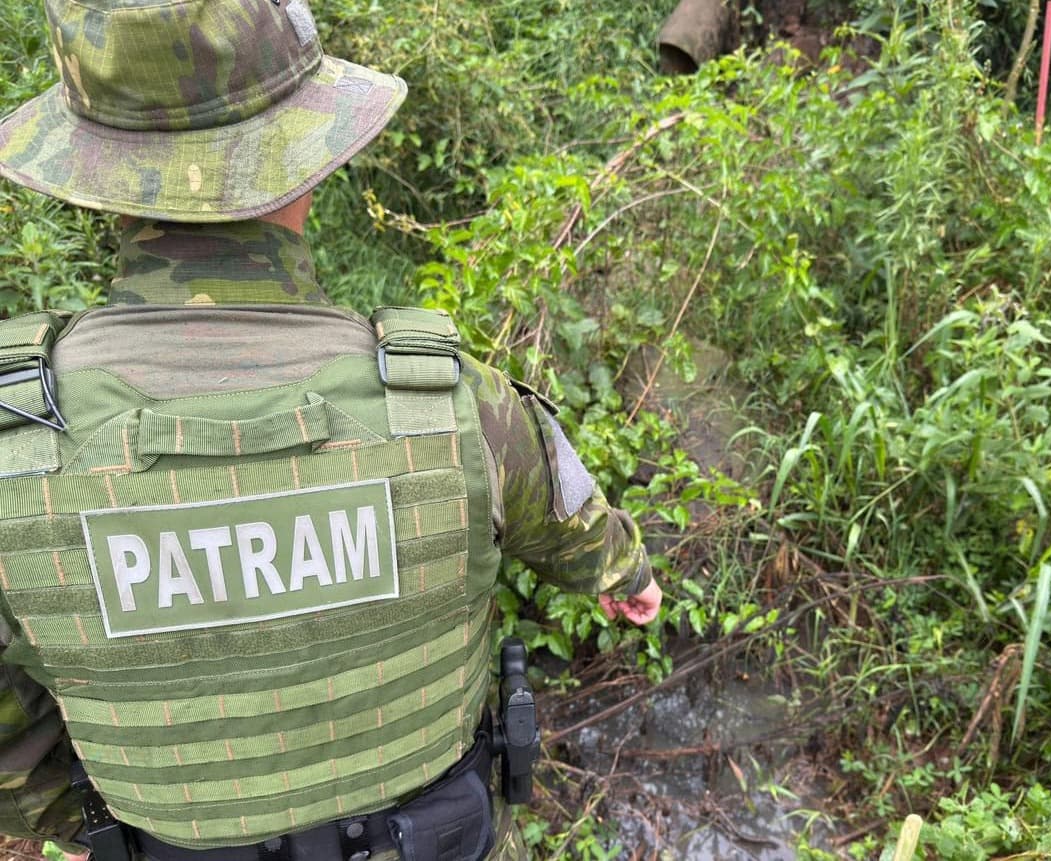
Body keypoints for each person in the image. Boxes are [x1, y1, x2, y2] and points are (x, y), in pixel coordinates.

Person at [0, 0, 663, 859]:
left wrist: (126, 823)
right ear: (309, 162)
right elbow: (590, 542)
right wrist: (625, 572)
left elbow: (16, 759)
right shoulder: (457, 403)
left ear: (94, 173)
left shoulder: (17, 440)